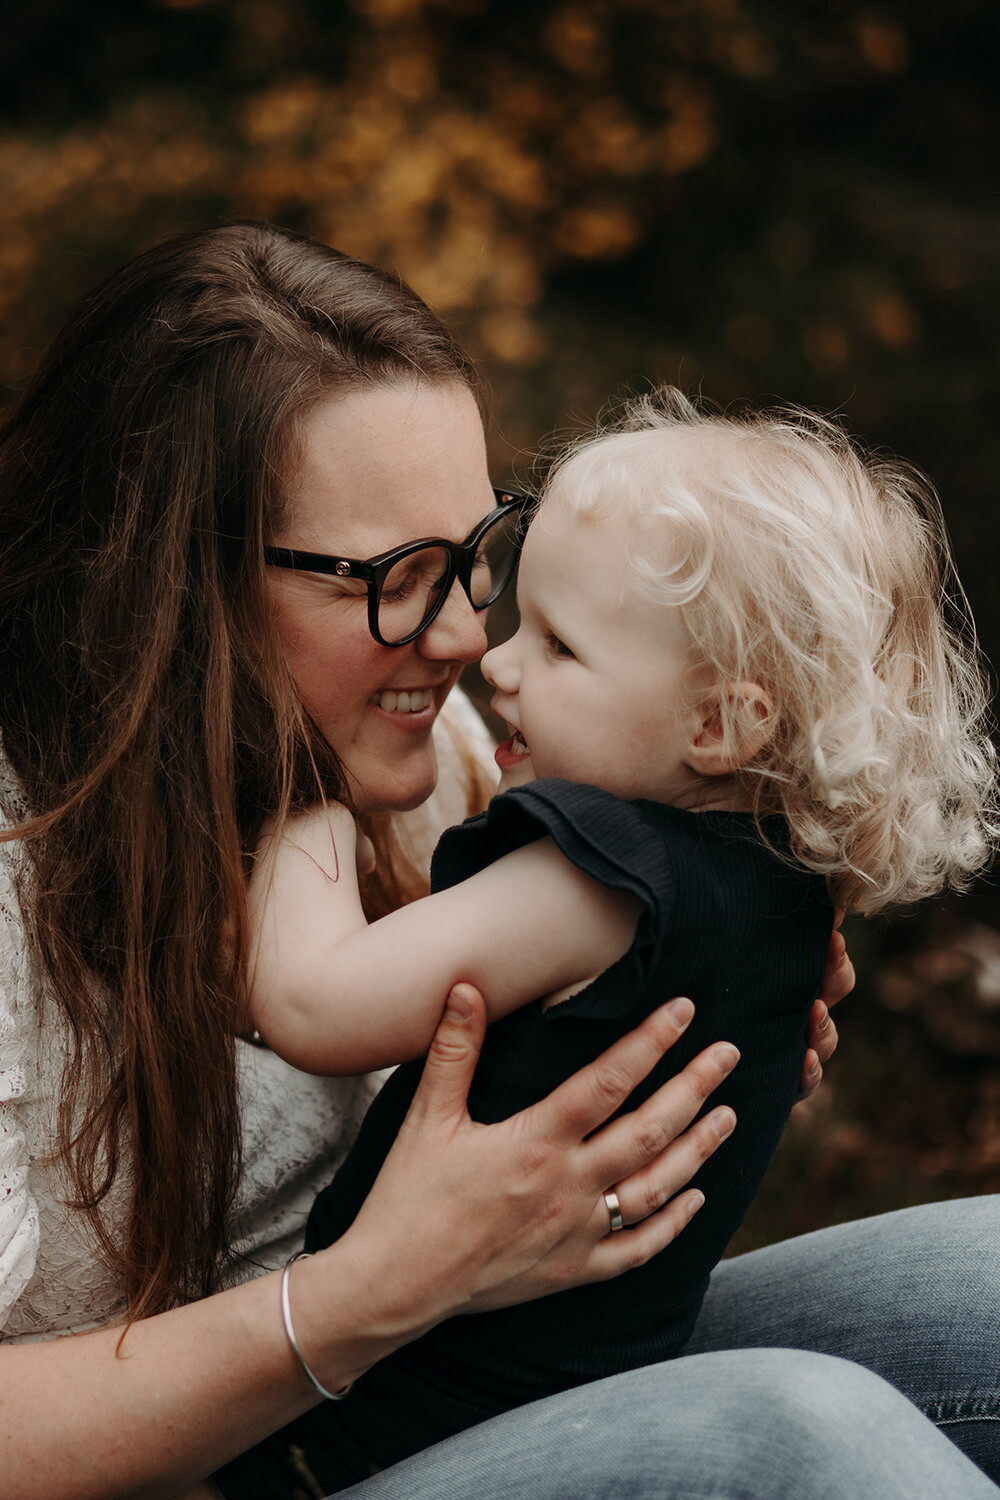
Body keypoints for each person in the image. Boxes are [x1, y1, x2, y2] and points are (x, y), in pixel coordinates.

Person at [0, 220, 994, 1500]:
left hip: (465, 1381)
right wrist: (370, 1292)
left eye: (476, 555)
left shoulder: (433, 740)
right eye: (402, 576)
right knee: (793, 1434)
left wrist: (677, 1067)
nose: (472, 634)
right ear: (172, 583)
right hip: (266, 1454)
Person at [213, 390, 997, 1495]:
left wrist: (305, 795)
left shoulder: (601, 877)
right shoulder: (783, 888)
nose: (499, 665)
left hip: (357, 1436)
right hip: (574, 1396)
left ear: (718, 726)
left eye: (560, 646)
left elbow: (312, 1001)